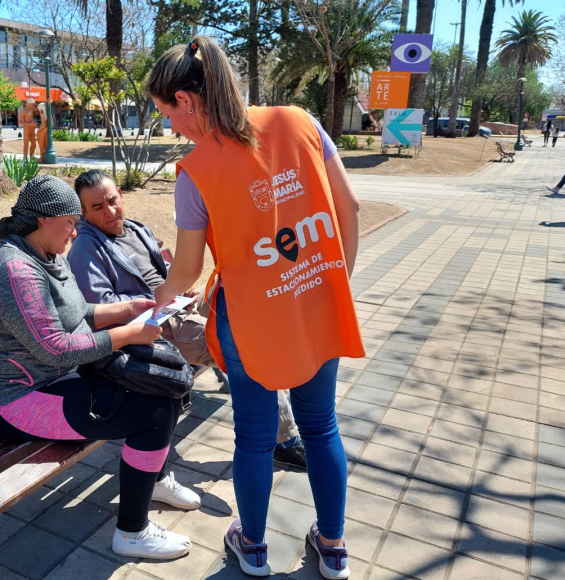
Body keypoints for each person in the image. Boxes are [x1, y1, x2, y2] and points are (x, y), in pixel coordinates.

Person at [144, 37, 365, 579]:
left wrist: (160, 298)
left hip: (247, 321)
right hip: (316, 303)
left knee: (255, 435)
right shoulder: (302, 122)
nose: (172, 128)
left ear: (186, 99)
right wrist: (332, 283)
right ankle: (333, 547)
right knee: (321, 427)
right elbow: (349, 207)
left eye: (167, 114)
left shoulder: (196, 172)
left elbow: (188, 270)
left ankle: (254, 546)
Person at [0, 175, 201, 560]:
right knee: (153, 411)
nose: (77, 231)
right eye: (71, 221)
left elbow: (77, 315)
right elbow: (56, 349)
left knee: (163, 388)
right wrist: (127, 335)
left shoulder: (43, 253)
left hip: (58, 380)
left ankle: (155, 481)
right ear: (44, 219)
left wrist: (128, 308)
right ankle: (132, 532)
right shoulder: (15, 271)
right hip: (17, 401)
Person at [68, 169, 308, 471]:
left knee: (254, 318)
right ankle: (284, 442)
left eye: (112, 200)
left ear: (121, 194)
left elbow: (161, 271)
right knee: (248, 351)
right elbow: (99, 308)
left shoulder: (135, 228)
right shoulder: (87, 248)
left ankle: (283, 420)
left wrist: (181, 287)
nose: (110, 211)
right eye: (97, 208)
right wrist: (155, 302)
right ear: (83, 212)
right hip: (157, 327)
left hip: (180, 308)